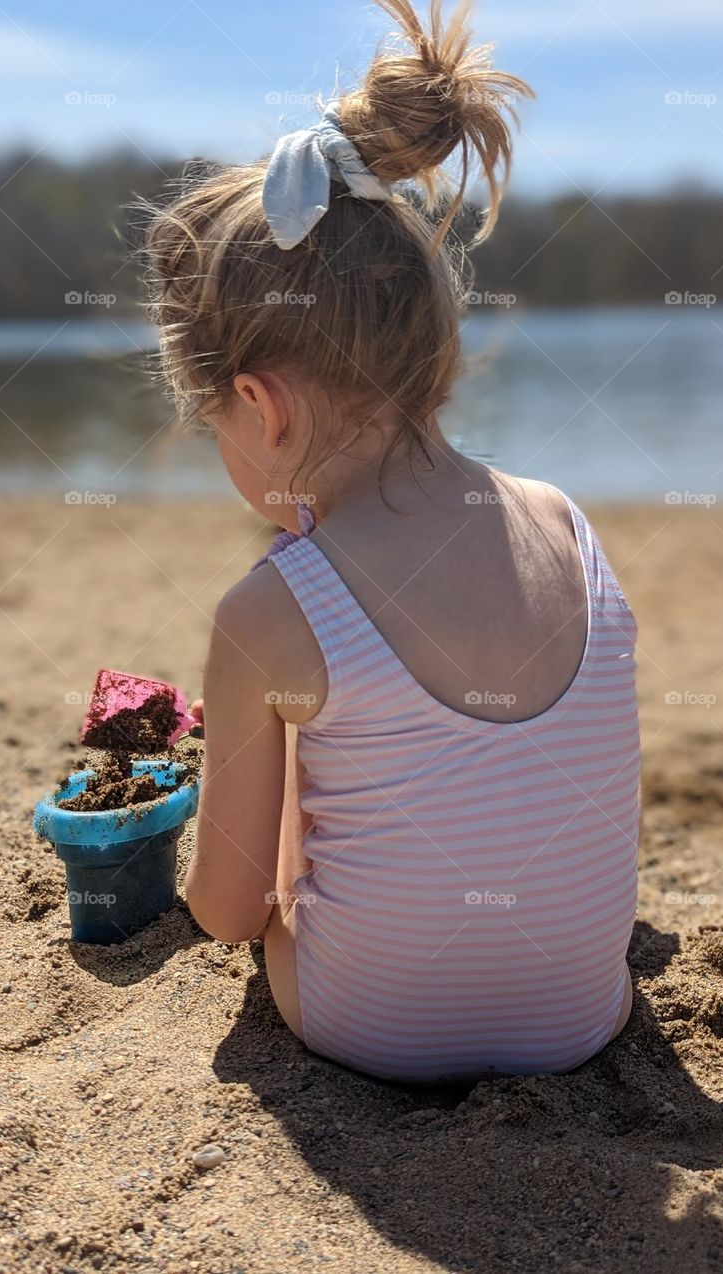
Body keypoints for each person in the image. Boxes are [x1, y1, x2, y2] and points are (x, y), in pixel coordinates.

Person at [143, 0, 639, 1082]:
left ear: (261, 406)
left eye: (212, 426)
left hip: (370, 1027)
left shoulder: (271, 608)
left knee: (282, 850)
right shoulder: (567, 523)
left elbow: (227, 913)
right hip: (585, 1014)